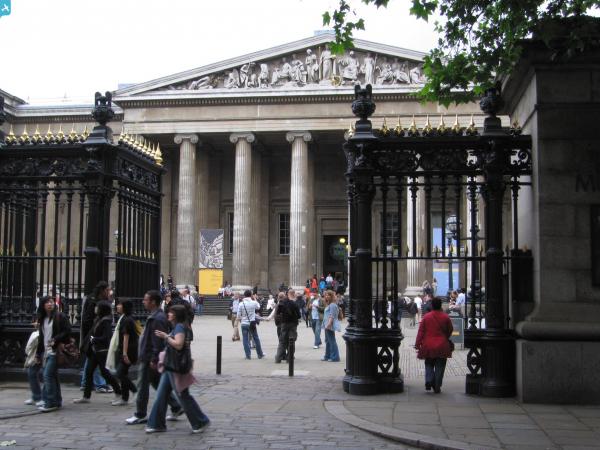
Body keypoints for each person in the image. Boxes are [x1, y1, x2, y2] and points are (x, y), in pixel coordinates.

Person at [146, 305, 210, 434]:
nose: (168, 314)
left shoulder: (180, 326)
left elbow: (179, 345)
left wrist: (166, 337)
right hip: (170, 365)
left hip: (175, 366)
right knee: (161, 395)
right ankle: (156, 423)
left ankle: (200, 421)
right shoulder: (177, 326)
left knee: (183, 395)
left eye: (171, 313)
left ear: (176, 315)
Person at [126, 290, 182, 425]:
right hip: (149, 356)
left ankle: (140, 414)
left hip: (149, 358)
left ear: (153, 302)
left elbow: (157, 341)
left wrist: (154, 358)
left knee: (142, 386)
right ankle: (176, 406)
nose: (143, 302)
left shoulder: (157, 318)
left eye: (146, 300)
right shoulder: (155, 316)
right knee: (157, 383)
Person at [73, 300, 122, 403]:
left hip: (102, 351)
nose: (95, 309)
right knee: (89, 372)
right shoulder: (99, 319)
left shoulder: (105, 322)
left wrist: (95, 339)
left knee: (105, 373)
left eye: (97, 307)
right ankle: (86, 396)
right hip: (95, 351)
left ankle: (119, 392)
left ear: (102, 309)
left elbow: (106, 337)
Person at [36, 295, 71, 412]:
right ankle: (57, 401)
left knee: (47, 375)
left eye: (51, 302)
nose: (50, 304)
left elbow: (67, 331)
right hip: (46, 352)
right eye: (47, 302)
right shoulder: (42, 319)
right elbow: (42, 337)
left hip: (55, 351)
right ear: (43, 305)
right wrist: (38, 353)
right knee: (53, 376)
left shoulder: (60, 316)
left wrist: (56, 339)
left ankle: (50, 402)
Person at [414, 297, 453, 393]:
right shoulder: (446, 317)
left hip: (428, 345)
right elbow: (450, 330)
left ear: (432, 305)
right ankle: (437, 385)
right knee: (440, 366)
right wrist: (444, 337)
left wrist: (417, 344)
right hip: (442, 345)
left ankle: (429, 380)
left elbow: (421, 332)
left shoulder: (426, 317)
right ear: (440, 305)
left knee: (429, 363)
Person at [79, 281, 111, 394]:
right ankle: (100, 384)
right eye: (107, 290)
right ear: (102, 290)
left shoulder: (99, 299)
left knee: (92, 358)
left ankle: (85, 383)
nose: (109, 292)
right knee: (96, 357)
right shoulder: (93, 300)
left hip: (94, 332)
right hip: (94, 333)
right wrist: (91, 333)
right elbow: (87, 319)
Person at [110, 299, 139, 406]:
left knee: (120, 373)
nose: (117, 306)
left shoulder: (126, 320)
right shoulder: (125, 318)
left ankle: (134, 390)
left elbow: (126, 337)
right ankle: (124, 398)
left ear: (124, 307)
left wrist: (124, 353)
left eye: (120, 305)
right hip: (127, 349)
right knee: (123, 373)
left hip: (128, 351)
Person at [236, 289, 265, 360]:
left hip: (244, 324)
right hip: (252, 323)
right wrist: (255, 299)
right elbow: (258, 307)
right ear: (251, 295)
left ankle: (248, 356)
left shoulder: (241, 304)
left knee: (245, 339)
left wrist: (243, 319)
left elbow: (238, 316)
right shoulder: (253, 303)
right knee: (256, 338)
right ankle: (260, 354)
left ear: (244, 295)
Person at [274, 289, 301, 364]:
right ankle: (289, 358)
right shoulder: (295, 304)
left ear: (287, 294)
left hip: (284, 324)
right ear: (294, 294)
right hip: (293, 324)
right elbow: (299, 316)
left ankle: (278, 358)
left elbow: (278, 313)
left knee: (282, 341)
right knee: (291, 341)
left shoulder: (282, 303)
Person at [24, 322, 43, 406]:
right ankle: (36, 396)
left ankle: (40, 397)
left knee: (48, 375)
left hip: (44, 350)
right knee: (32, 373)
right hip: (39, 351)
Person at [321, 290, 341, 362]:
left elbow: (332, 316)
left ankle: (335, 357)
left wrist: (329, 324)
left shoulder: (332, 305)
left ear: (332, 296)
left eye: (328, 295)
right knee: (328, 341)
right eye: (326, 295)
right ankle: (327, 356)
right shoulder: (329, 304)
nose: (327, 296)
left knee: (332, 341)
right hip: (326, 324)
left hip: (329, 325)